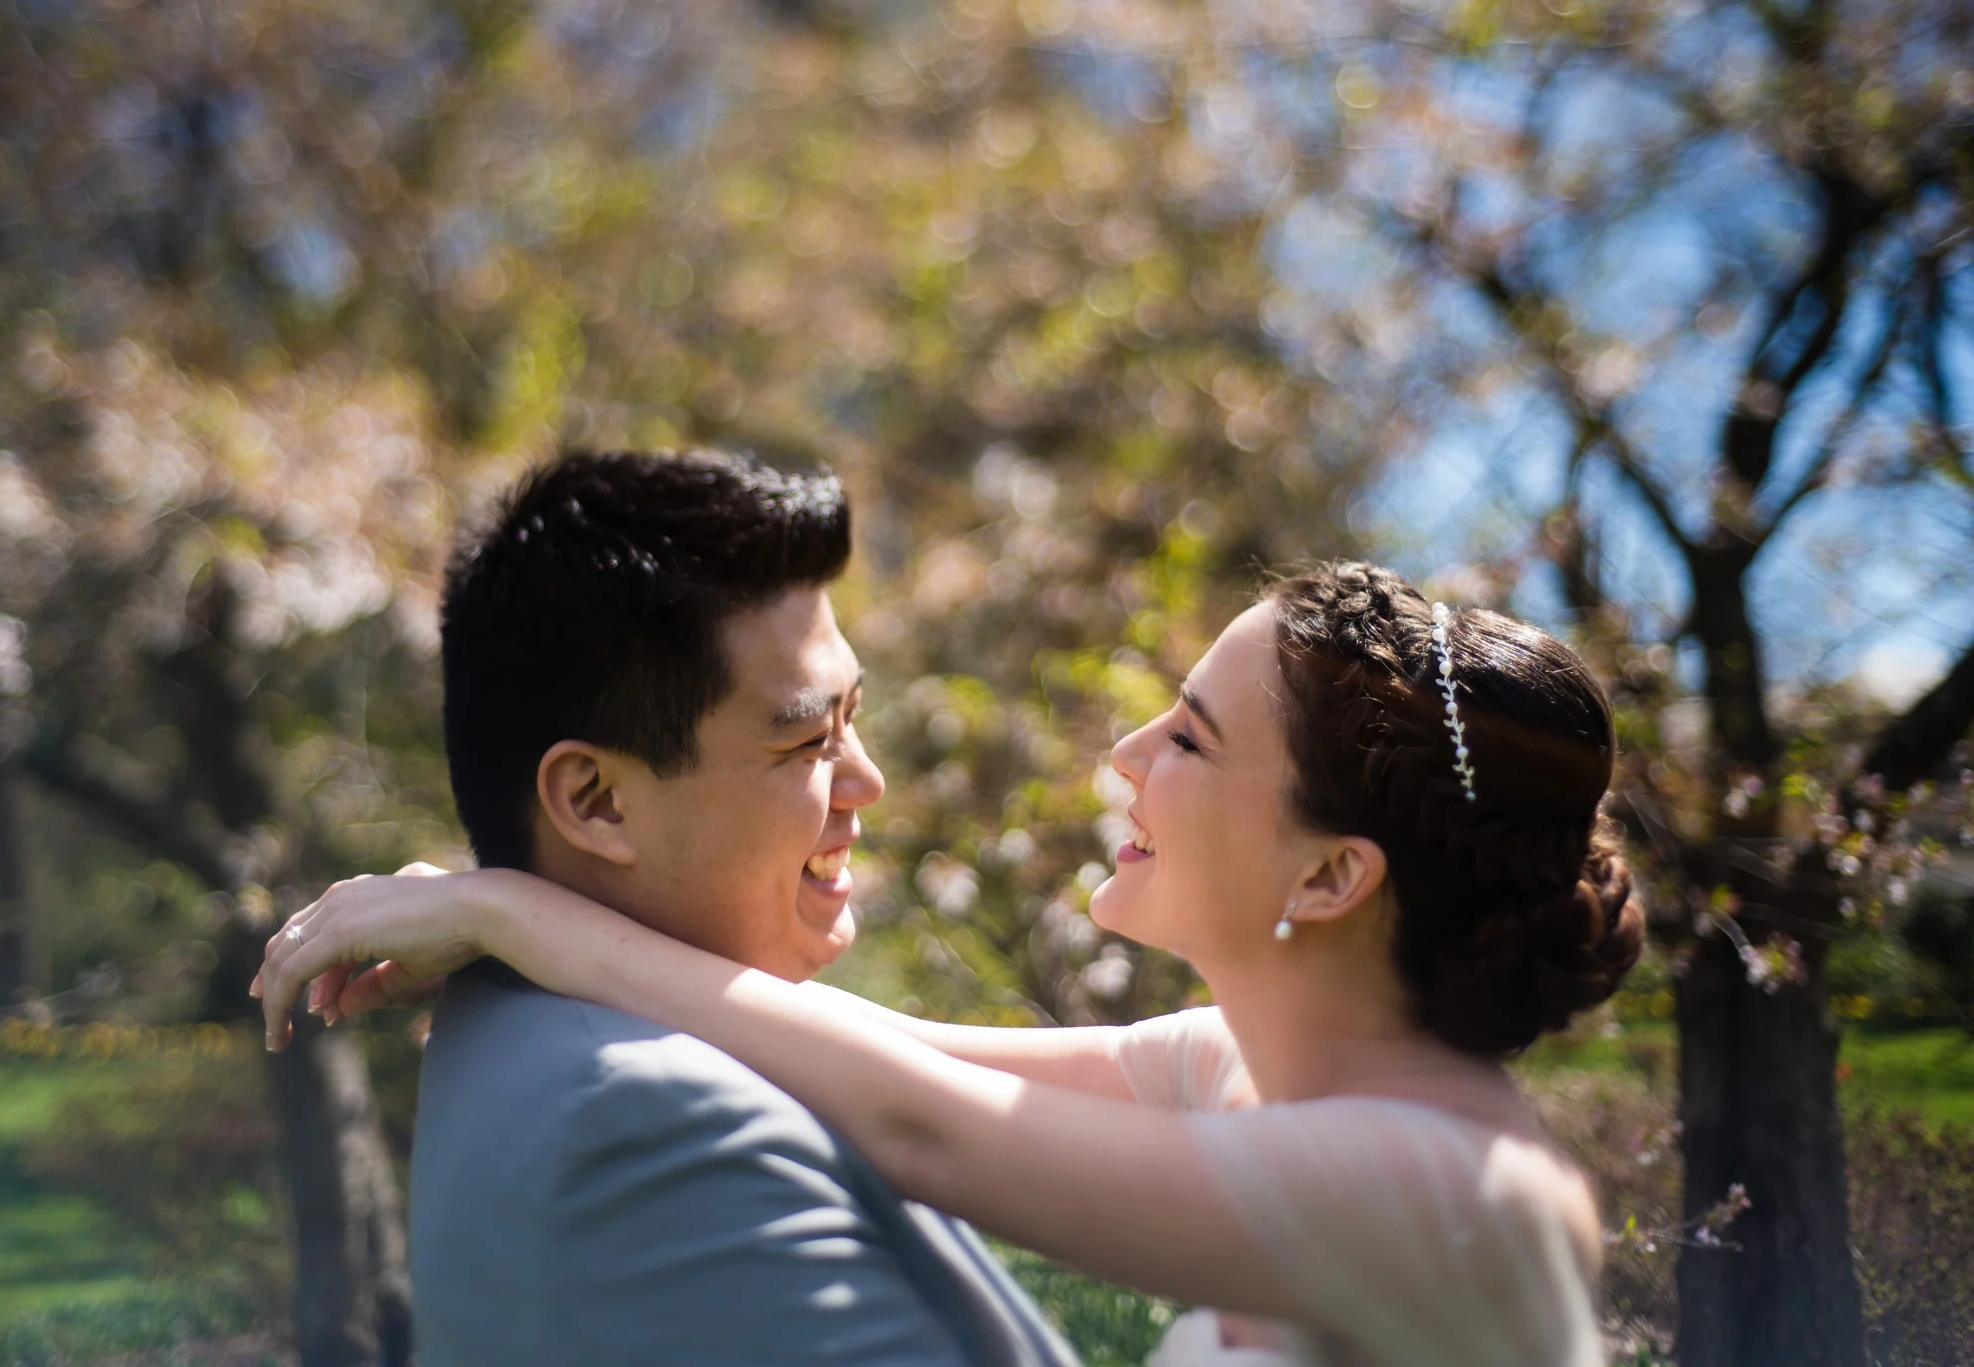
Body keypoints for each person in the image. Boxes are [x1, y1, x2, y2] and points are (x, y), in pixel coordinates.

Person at [260, 560, 1644, 1367]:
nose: (1125, 758)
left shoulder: (1449, 1188)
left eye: (1193, 739)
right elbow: (878, 1049)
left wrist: (526, 916)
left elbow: (922, 1123)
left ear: (1333, 875)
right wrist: (521, 904)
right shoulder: (1245, 1067)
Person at [286, 449, 1080, 1366]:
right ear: (595, 802)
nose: (868, 778)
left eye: (853, 717)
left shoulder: (511, 1013)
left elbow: (1166, 1076)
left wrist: (512, 909)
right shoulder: (652, 1128)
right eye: (808, 740)